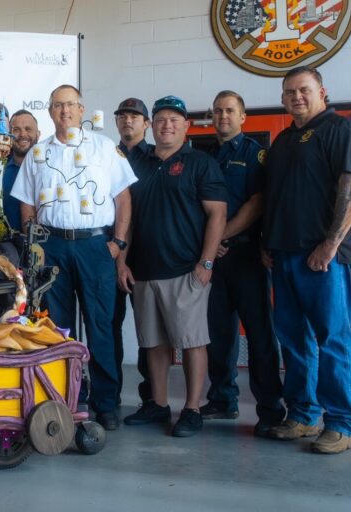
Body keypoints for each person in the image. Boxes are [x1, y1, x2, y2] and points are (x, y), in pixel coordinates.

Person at [10, 85, 136, 431]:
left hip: (96, 247)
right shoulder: (38, 153)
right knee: (57, 328)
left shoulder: (104, 147)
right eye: (57, 106)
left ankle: (107, 404)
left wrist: (119, 243)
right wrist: (34, 245)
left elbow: (123, 198)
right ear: (49, 112)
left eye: (70, 105)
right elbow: (26, 203)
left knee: (101, 326)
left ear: (81, 110)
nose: (64, 111)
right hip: (52, 247)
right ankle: (65, 396)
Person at [263, 66, 351, 454]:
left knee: (333, 339)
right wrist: (267, 242)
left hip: (324, 258)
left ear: (322, 91)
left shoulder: (344, 132)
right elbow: (276, 197)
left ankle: (341, 423)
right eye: (289, 92)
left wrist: (330, 245)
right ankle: (303, 416)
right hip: (284, 255)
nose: (296, 97)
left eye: (304, 90)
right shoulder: (284, 140)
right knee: (293, 340)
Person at [119, 95, 226, 438]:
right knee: (153, 343)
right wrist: (122, 261)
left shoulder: (201, 163)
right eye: (161, 119)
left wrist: (206, 262)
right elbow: (127, 217)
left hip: (186, 271)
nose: (167, 125)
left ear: (186, 126)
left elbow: (217, 214)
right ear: (151, 125)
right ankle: (159, 404)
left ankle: (192, 408)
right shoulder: (138, 162)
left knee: (192, 341)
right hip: (144, 271)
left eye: (175, 120)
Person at [200, 90, 286, 436]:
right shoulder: (206, 157)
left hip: (247, 256)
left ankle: (269, 408)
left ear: (242, 116)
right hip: (215, 260)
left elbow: (257, 204)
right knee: (218, 333)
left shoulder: (254, 154)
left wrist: (220, 237)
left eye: (230, 111)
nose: (223, 117)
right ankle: (223, 399)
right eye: (218, 110)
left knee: (260, 334)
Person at [113, 97, 153, 406]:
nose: (128, 121)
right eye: (123, 116)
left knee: (149, 331)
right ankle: (110, 396)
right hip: (112, 252)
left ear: (146, 123)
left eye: (135, 116)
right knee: (110, 324)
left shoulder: (155, 158)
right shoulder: (104, 155)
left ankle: (152, 397)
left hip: (146, 255)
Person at [2, 109, 39, 231]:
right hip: (6, 245)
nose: (23, 134)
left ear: (38, 134)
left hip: (43, 245)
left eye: (28, 129)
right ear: (9, 136)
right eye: (16, 130)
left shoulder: (50, 171)